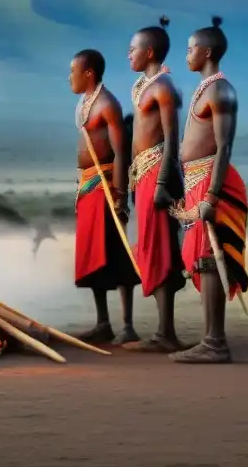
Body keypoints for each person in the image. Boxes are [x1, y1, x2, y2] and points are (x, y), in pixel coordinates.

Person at [170, 17, 248, 364]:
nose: (186, 55)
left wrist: (211, 198)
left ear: (206, 52)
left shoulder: (220, 90)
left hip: (210, 183)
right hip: (195, 179)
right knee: (201, 259)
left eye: (190, 49)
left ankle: (215, 343)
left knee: (208, 257)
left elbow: (223, 147)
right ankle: (210, 340)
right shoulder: (204, 88)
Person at [123, 16, 188, 353]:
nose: (127, 54)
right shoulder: (144, 86)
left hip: (158, 176)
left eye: (132, 49)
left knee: (162, 249)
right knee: (151, 247)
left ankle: (166, 334)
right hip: (143, 175)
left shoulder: (163, 89)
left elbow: (173, 140)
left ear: (149, 53)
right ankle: (165, 332)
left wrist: (163, 182)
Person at [68, 49, 140, 344]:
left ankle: (128, 326)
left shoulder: (107, 104)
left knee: (118, 253)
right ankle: (103, 324)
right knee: (94, 256)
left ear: (89, 73)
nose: (69, 76)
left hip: (105, 186)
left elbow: (122, 152)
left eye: (73, 70)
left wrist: (121, 197)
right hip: (87, 187)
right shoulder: (84, 103)